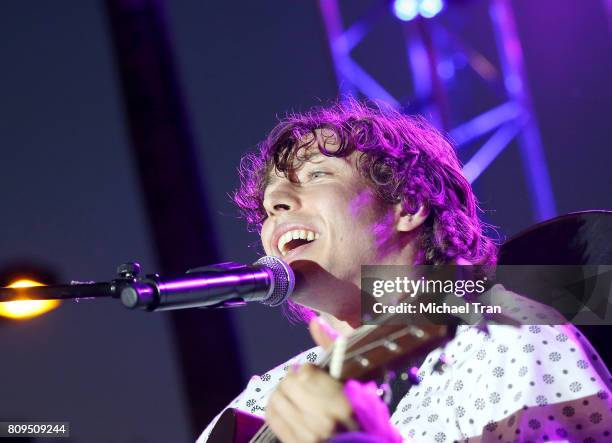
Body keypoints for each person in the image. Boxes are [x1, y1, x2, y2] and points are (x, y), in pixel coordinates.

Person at [197, 99, 611, 442]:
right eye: (270, 204)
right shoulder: (258, 403)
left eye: (317, 174)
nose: (276, 202)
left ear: (408, 205)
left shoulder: (506, 340)